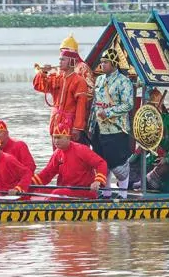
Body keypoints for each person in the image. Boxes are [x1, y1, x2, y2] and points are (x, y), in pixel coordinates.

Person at [88, 47, 134, 196]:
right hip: (99, 127)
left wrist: (108, 112)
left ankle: (123, 194)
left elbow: (128, 104)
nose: (102, 65)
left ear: (114, 63)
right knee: (102, 161)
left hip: (116, 127)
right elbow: (95, 102)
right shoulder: (99, 79)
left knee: (117, 163)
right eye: (101, 62)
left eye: (105, 62)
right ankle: (106, 193)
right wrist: (90, 124)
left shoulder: (123, 81)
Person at [32, 34, 92, 141]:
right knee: (57, 153)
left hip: (70, 121)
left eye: (63, 59)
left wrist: (77, 127)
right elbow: (40, 86)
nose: (59, 61)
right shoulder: (58, 76)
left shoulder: (80, 75)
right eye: (60, 58)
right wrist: (44, 72)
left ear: (72, 59)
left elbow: (82, 103)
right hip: (56, 121)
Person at [32, 121, 107, 198]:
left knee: (57, 192)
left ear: (68, 138)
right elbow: (47, 173)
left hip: (84, 191)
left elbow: (101, 163)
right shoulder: (57, 153)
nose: (56, 141)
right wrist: (29, 183)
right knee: (36, 189)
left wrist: (98, 181)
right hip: (65, 190)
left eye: (59, 137)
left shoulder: (81, 149)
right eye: (54, 137)